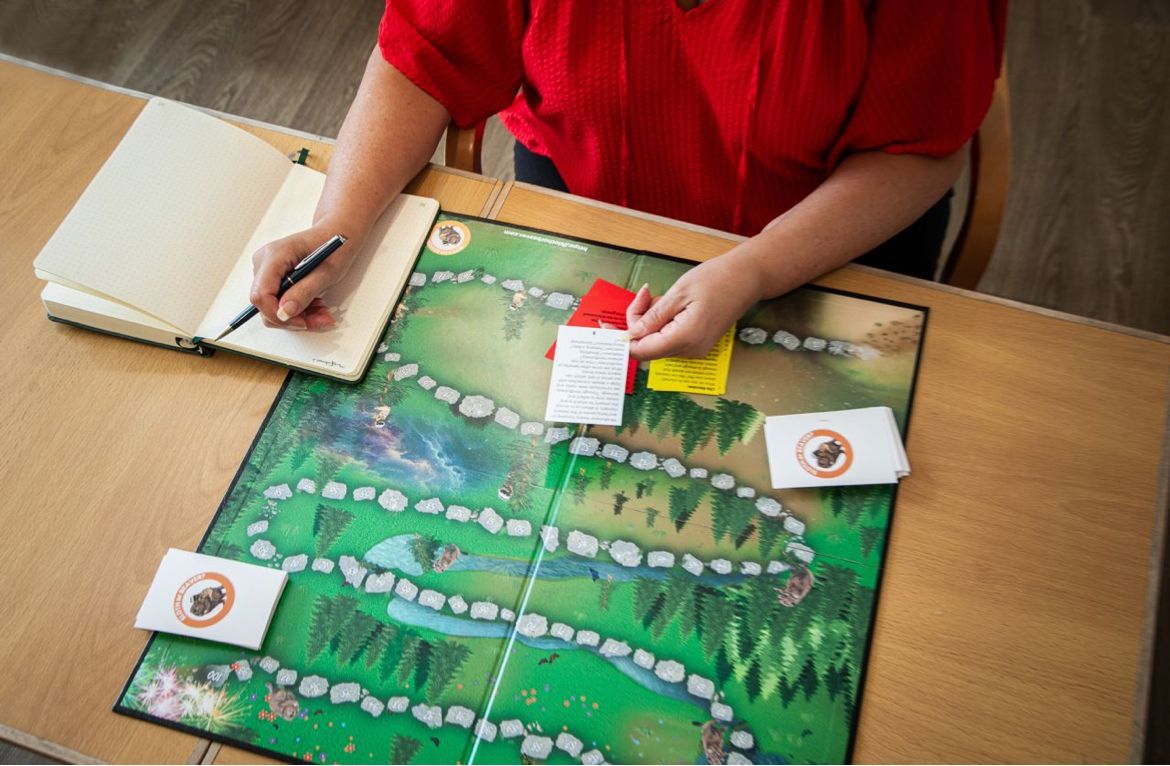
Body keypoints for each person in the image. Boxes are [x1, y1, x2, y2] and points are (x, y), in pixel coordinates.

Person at [250, 0, 1005, 359]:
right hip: (594, 210)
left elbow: (920, 149)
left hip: (823, 248)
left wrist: (756, 268)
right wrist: (337, 224)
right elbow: (424, 59)